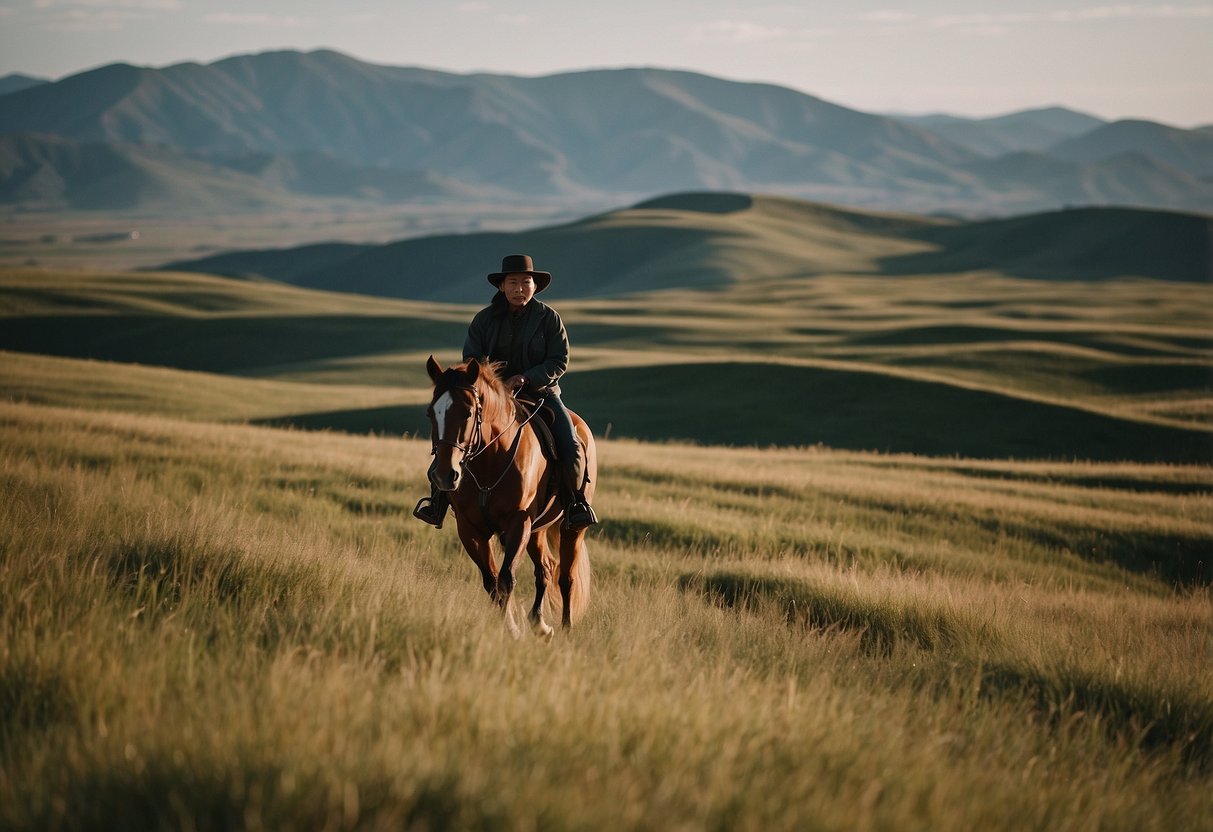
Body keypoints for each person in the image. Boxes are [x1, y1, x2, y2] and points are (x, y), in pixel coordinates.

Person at [413, 254, 598, 531]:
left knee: (571, 446)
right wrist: (496, 387)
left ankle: (576, 504)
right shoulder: (484, 320)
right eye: (513, 282)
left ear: (535, 286)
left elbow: (559, 360)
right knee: (450, 441)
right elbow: (472, 360)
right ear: (502, 286)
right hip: (494, 399)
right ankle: (437, 502)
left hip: (541, 394)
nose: (519, 288)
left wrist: (526, 377)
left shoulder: (549, 319)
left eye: (526, 282)